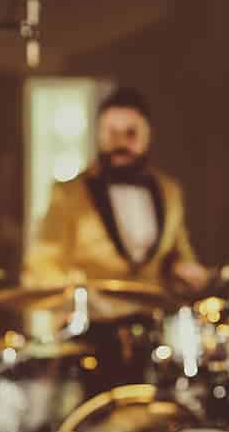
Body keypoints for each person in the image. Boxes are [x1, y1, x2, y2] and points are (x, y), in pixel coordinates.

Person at [23, 87, 209, 391]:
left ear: (147, 135)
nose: (120, 143)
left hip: (149, 332)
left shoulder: (169, 191)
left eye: (130, 133)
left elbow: (178, 252)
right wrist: (80, 296)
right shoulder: (69, 193)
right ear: (98, 134)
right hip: (90, 332)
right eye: (111, 133)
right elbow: (41, 263)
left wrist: (186, 271)